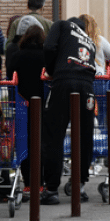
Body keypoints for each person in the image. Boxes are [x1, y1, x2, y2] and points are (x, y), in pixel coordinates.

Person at [41, 16, 97, 204]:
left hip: (64, 81)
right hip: (87, 86)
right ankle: (79, 185)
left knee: (54, 135)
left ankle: (51, 189)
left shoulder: (61, 25)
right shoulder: (90, 40)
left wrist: (52, 69)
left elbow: (48, 47)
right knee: (84, 136)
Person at [4, 20, 46, 197]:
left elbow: (9, 76)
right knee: (42, 141)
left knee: (25, 142)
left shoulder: (17, 56)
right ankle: (41, 181)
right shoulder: (46, 55)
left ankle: (28, 182)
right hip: (43, 104)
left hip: (22, 104)